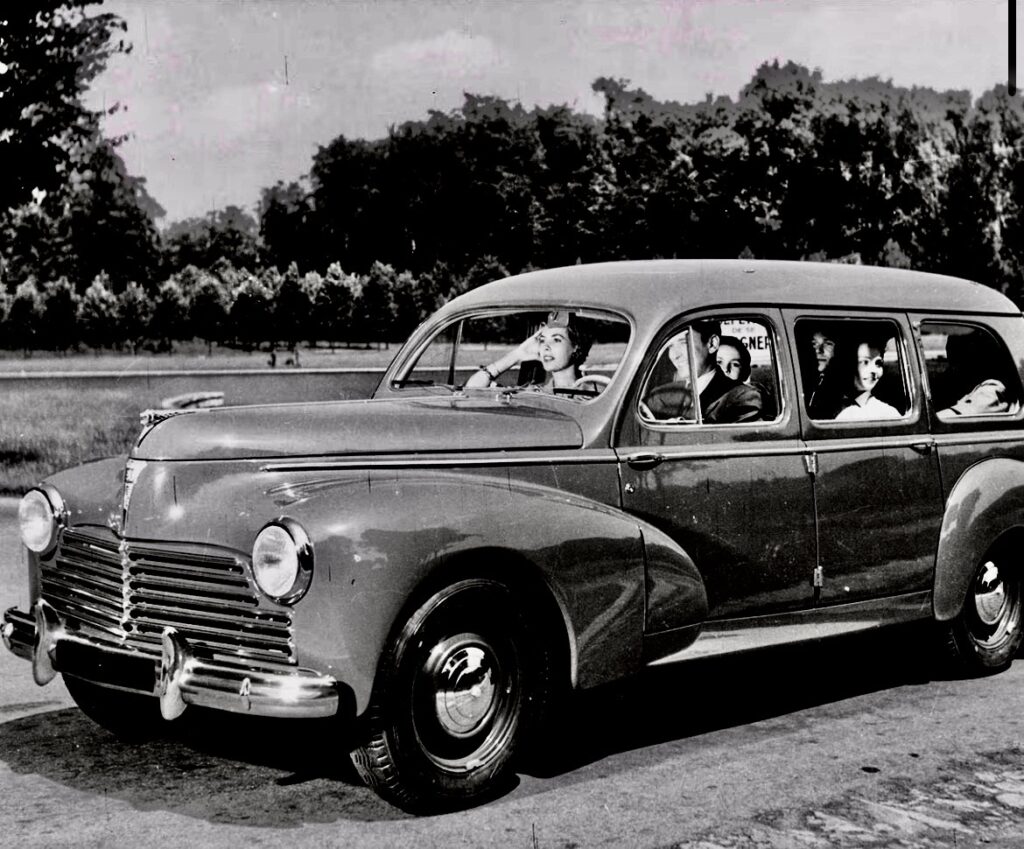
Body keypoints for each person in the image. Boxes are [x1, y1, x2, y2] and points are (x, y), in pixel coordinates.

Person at [465, 310, 592, 392]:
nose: (546, 346)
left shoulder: (596, 395)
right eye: (542, 340)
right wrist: (517, 355)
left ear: (576, 346)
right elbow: (472, 389)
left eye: (556, 340)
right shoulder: (534, 393)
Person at [814, 337, 902, 421]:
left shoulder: (887, 413)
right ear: (849, 364)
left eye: (878, 363)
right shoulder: (826, 401)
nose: (873, 370)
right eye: (865, 362)